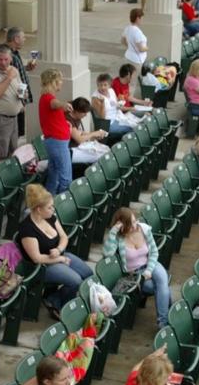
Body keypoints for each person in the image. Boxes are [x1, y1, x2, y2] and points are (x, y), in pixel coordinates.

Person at [18, 184, 93, 318]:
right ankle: (62, 308)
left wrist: (58, 250)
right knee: (75, 281)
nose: (53, 209)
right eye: (50, 207)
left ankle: (53, 299)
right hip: (42, 267)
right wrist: (60, 259)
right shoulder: (27, 229)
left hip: (59, 255)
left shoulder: (50, 217)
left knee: (88, 274)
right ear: (39, 209)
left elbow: (64, 237)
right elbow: (37, 258)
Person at [104, 208, 171, 329]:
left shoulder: (144, 229)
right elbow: (107, 255)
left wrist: (149, 270)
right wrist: (113, 232)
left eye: (135, 221)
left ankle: (163, 322)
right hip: (135, 273)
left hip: (151, 264)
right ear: (122, 226)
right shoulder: (118, 238)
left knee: (162, 282)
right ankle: (170, 315)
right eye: (130, 224)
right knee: (157, 288)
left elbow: (154, 252)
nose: (135, 226)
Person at [0, 43, 26, 163]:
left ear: (11, 58)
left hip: (14, 119)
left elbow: (21, 88)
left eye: (6, 59)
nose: (3, 62)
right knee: (0, 155)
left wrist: (23, 96)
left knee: (13, 151)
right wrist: (8, 78)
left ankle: (8, 178)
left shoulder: (14, 70)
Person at [38, 69, 75, 194]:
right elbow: (55, 104)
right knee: (66, 177)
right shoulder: (48, 98)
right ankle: (62, 205)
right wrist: (64, 105)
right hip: (57, 143)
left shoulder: (46, 97)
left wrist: (65, 123)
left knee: (54, 174)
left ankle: (49, 200)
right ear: (53, 82)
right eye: (60, 80)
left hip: (55, 142)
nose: (61, 83)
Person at [6, 27, 38, 137]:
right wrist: (21, 101)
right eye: (23, 37)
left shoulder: (14, 54)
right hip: (16, 101)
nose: (25, 39)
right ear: (16, 39)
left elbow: (17, 73)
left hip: (18, 100)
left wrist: (26, 68)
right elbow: (15, 81)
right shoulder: (10, 56)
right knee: (16, 132)